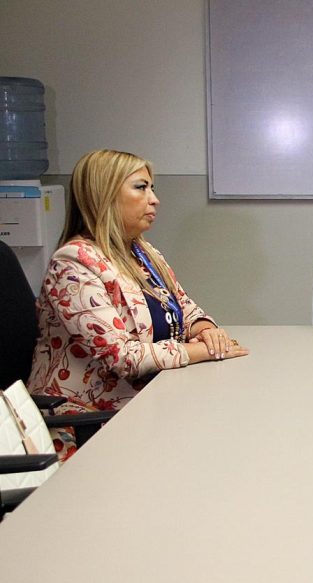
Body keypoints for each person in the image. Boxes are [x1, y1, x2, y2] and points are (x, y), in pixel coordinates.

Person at [28, 149, 249, 459]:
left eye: (152, 188)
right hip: (89, 421)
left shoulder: (142, 251)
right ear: (104, 194)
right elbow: (122, 357)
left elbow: (183, 307)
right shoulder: (74, 264)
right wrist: (203, 350)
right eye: (141, 187)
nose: (154, 199)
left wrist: (204, 327)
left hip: (145, 402)